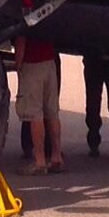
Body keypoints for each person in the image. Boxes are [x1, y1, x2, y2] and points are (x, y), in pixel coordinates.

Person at [15, 30, 65, 176]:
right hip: (50, 62)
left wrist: (19, 68)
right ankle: (57, 157)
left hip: (32, 63)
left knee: (35, 115)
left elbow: (20, 40)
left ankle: (40, 160)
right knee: (52, 113)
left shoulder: (26, 11)